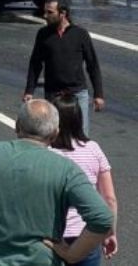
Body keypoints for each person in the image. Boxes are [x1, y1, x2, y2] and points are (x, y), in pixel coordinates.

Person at [0, 100, 114, 266]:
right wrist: (72, 255)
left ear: (17, 126)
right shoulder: (66, 170)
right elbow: (102, 217)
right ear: (55, 133)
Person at [51, 95, 119, 266]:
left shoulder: (47, 153)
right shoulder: (93, 149)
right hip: (87, 233)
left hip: (54, 234)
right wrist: (109, 233)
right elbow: (109, 199)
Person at [24, 0, 104, 135]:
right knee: (54, 134)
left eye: (50, 12)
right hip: (53, 94)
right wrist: (29, 91)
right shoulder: (43, 34)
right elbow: (35, 63)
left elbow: (93, 65)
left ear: (63, 13)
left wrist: (98, 94)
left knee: (81, 135)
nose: (45, 16)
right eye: (45, 12)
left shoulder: (80, 34)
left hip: (77, 93)